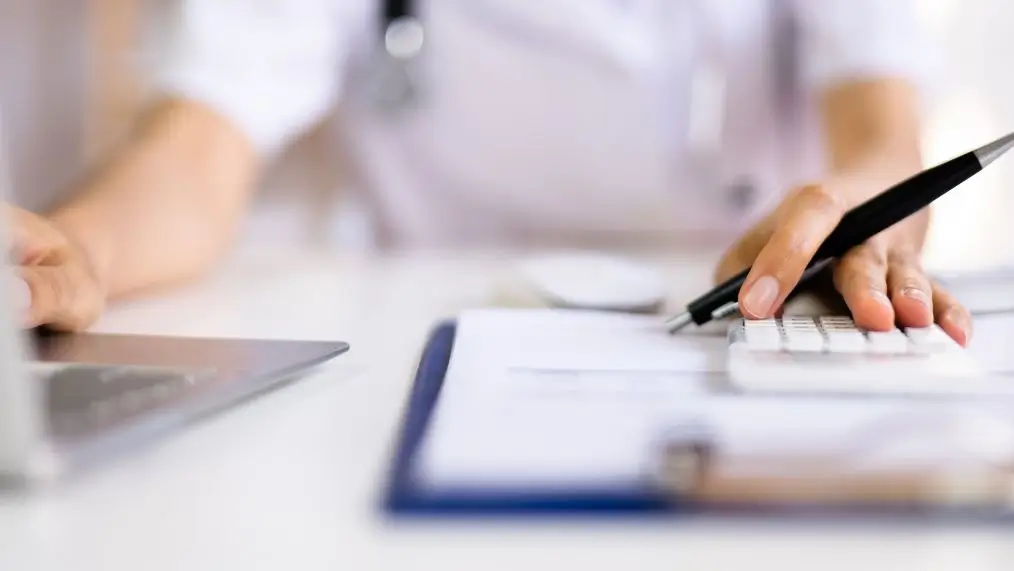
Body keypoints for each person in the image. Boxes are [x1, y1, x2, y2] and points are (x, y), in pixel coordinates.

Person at [9, 0, 973, 345]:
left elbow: (882, 136)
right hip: (421, 337)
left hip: (736, 318)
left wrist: (864, 209)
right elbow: (197, 151)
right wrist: (82, 248)